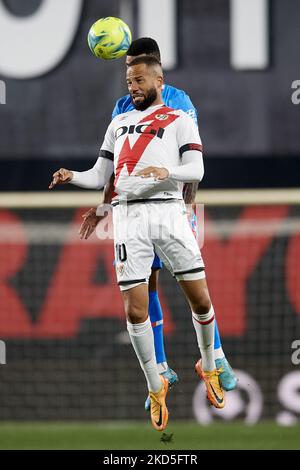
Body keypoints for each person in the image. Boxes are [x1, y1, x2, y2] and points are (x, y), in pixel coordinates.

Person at [49, 56, 226, 431]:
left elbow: (197, 169)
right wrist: (72, 175)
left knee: (201, 299)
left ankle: (208, 365)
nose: (133, 87)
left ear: (158, 80)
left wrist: (168, 171)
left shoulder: (179, 119)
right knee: (134, 309)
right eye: (129, 81)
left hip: (168, 210)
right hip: (128, 216)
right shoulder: (119, 121)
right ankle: (155, 384)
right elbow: (102, 172)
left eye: (139, 80)